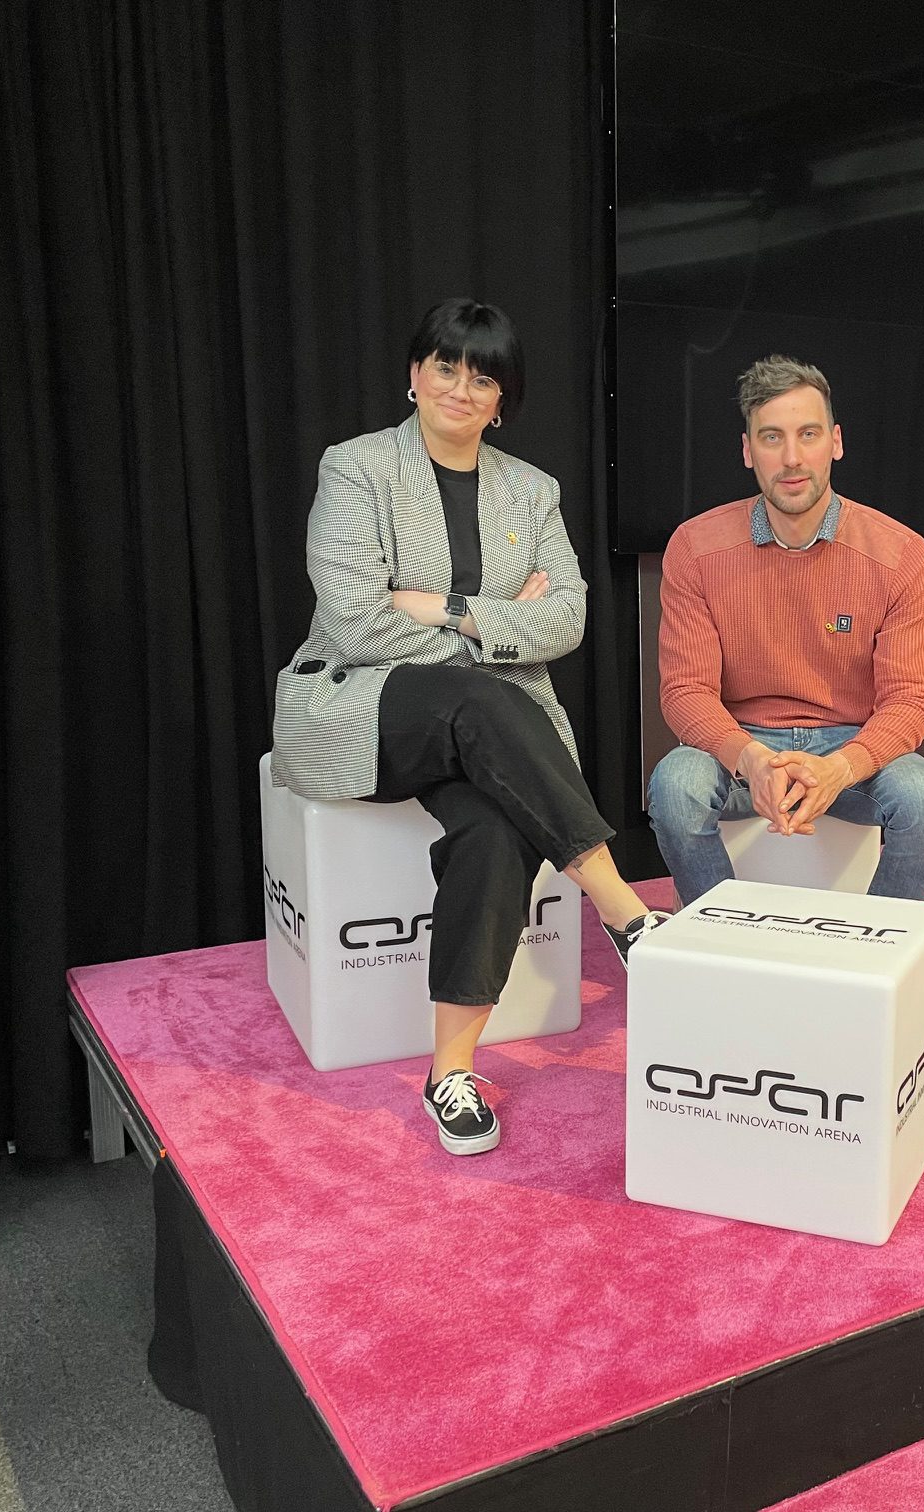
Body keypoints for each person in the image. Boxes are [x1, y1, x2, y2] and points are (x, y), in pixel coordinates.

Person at [272, 298, 667, 1157]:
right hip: (359, 704)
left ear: (502, 399)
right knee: (495, 700)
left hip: (471, 725)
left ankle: (449, 1069)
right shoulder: (356, 468)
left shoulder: (532, 490)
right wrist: (496, 625)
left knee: (496, 828)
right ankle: (627, 914)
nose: (460, 387)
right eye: (445, 366)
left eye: (481, 376)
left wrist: (448, 609)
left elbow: (567, 619)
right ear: (413, 377)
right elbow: (354, 623)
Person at [648, 355, 924, 905]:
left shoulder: (902, 554)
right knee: (675, 786)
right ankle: (719, 937)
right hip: (742, 746)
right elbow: (685, 692)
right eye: (771, 438)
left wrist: (840, 769)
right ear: (747, 452)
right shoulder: (695, 547)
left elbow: (909, 700)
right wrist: (752, 760)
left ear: (835, 441)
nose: (791, 459)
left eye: (807, 434)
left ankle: (872, 953)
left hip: (850, 746)